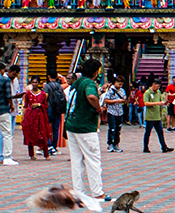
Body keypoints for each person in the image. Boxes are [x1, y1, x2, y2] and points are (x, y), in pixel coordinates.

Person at [65, 57, 108, 201]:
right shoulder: (89, 83)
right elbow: (91, 96)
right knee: (93, 159)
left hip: (71, 124)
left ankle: (79, 191)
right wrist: (98, 108)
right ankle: (97, 192)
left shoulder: (76, 82)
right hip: (85, 126)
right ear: (96, 72)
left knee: (76, 160)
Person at [21, 78, 52, 159]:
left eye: (36, 82)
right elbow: (25, 105)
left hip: (40, 117)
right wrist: (23, 117)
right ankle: (31, 155)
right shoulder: (28, 94)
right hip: (30, 117)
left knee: (42, 134)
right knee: (30, 134)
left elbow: (46, 105)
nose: (34, 84)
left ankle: (46, 155)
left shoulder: (42, 94)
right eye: (33, 82)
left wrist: (39, 105)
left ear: (39, 83)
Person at [142, 80, 172, 154]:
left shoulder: (158, 92)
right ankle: (145, 147)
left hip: (157, 116)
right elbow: (146, 103)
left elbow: (161, 100)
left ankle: (164, 147)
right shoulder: (147, 93)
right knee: (148, 132)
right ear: (153, 84)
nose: (158, 88)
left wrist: (164, 103)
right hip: (150, 116)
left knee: (160, 132)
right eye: (157, 86)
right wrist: (158, 103)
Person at [102, 75, 126, 153]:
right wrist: (116, 101)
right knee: (112, 128)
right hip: (112, 112)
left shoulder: (122, 91)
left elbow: (124, 99)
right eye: (119, 84)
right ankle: (110, 144)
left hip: (120, 112)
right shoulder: (110, 90)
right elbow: (106, 100)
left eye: (121, 84)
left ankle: (116, 144)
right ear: (115, 83)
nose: (120, 86)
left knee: (118, 130)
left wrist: (123, 101)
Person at [44, 74, 66, 154]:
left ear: (49, 77)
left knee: (45, 127)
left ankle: (49, 145)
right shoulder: (59, 86)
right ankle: (54, 146)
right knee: (55, 129)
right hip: (58, 109)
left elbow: (45, 96)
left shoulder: (47, 86)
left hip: (49, 109)